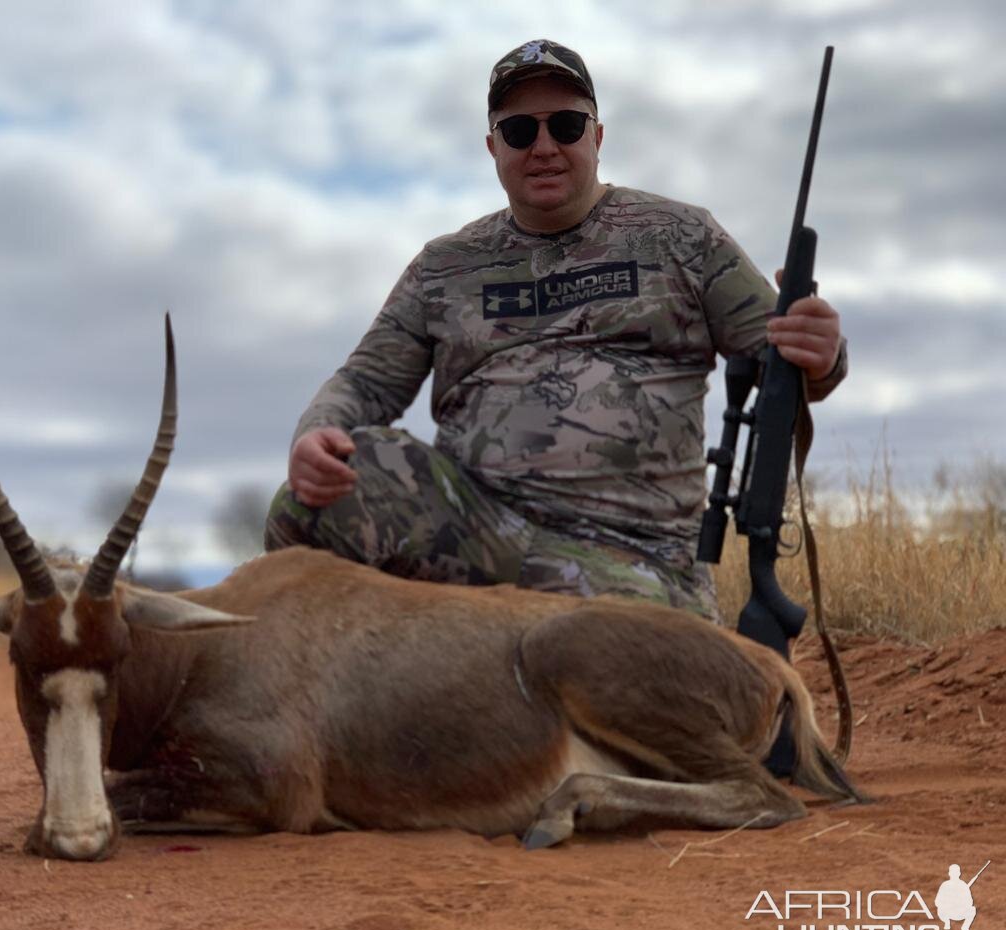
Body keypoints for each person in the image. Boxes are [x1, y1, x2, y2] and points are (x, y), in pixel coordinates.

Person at [264, 39, 846, 619]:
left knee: (611, 642)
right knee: (315, 500)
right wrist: (316, 433)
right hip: (481, 535)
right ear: (493, 146)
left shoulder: (684, 237)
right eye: (520, 131)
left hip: (632, 557)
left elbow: (787, 363)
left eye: (565, 125)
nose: (544, 147)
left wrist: (821, 353)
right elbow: (364, 383)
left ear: (596, 136)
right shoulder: (443, 266)